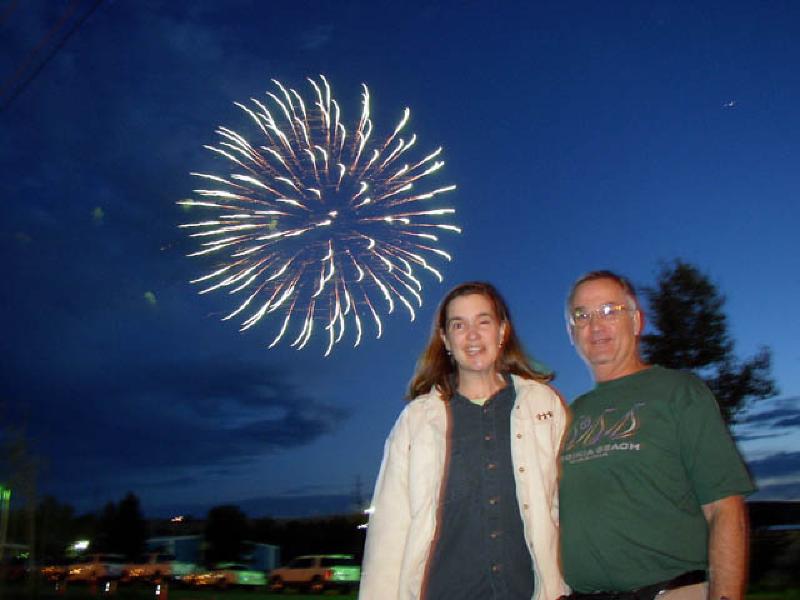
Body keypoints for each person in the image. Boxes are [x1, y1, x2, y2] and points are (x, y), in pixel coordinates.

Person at [359, 281, 568, 600]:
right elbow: (389, 531)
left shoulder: (544, 406)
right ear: (445, 339)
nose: (472, 335)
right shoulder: (416, 421)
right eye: (459, 325)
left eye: (483, 321)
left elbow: (565, 507)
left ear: (502, 331)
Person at [559, 270, 755, 600]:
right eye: (582, 315)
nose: (596, 325)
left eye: (609, 311)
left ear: (636, 321)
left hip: (669, 591)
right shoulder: (566, 415)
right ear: (571, 332)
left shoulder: (678, 392)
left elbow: (725, 509)